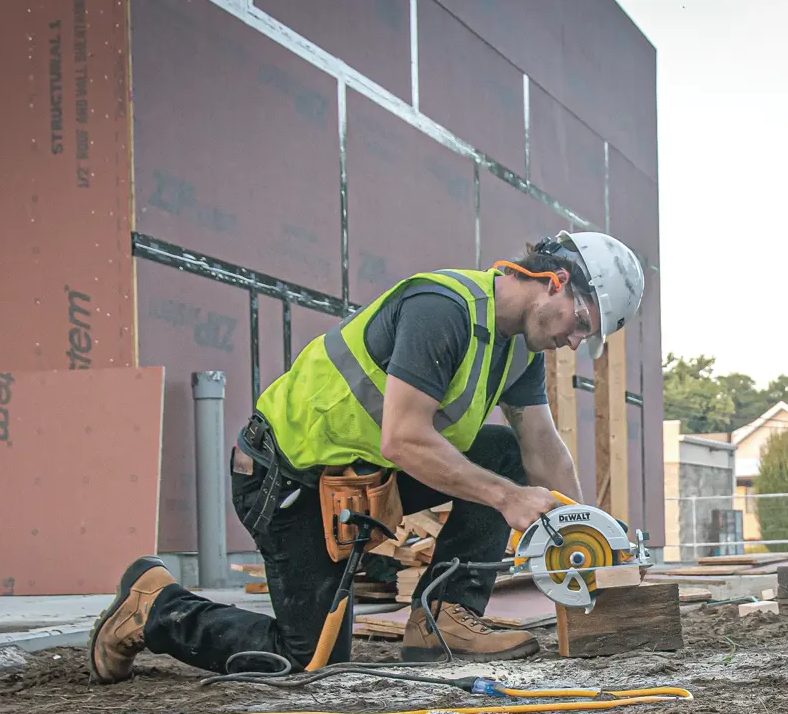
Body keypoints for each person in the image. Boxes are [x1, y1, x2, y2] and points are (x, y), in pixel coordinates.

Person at [86, 230, 645, 681]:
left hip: (363, 479)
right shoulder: (443, 309)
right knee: (309, 661)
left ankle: (442, 622)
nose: (575, 341)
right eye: (582, 324)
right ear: (557, 282)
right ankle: (155, 606)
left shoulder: (516, 349)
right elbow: (403, 438)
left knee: (504, 453)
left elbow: (541, 450)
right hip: (286, 482)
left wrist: (593, 532)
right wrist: (506, 499)